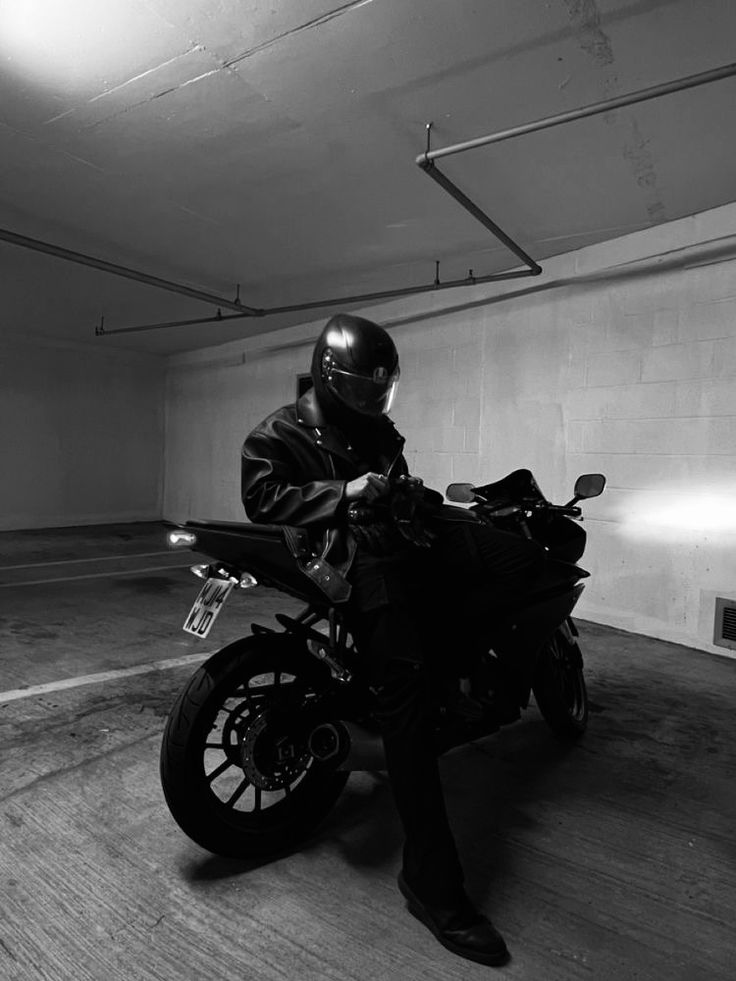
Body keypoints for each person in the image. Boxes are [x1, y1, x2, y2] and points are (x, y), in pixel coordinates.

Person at [241, 312, 545, 967]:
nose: (372, 400)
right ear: (328, 376)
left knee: (521, 562)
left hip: (399, 548)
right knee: (405, 695)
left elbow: (398, 488)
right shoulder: (281, 432)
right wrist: (345, 491)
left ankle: (466, 674)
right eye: (360, 388)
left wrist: (412, 495)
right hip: (349, 565)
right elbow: (262, 496)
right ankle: (434, 888)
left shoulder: (377, 431)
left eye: (381, 389)